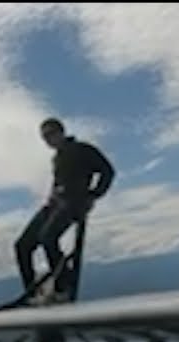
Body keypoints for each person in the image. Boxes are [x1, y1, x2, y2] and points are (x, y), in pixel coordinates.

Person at [13, 117, 115, 303]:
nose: (48, 139)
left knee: (47, 238)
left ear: (61, 132)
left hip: (74, 203)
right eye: (45, 137)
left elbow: (107, 171)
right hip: (55, 204)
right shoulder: (57, 157)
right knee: (21, 245)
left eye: (51, 134)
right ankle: (32, 293)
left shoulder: (82, 149)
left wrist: (93, 195)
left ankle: (63, 287)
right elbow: (60, 182)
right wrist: (52, 197)